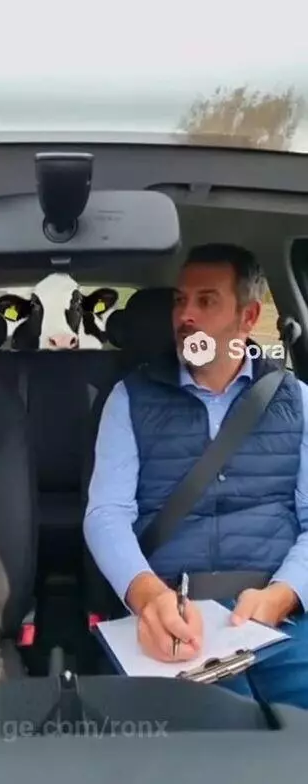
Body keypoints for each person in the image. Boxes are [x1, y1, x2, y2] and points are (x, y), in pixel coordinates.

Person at [83, 243, 308, 708]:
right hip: (176, 619)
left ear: (248, 318)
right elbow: (106, 515)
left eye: (206, 301)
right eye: (180, 300)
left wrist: (284, 596)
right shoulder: (128, 399)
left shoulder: (299, 400)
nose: (186, 315)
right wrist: (147, 599)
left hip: (282, 619)